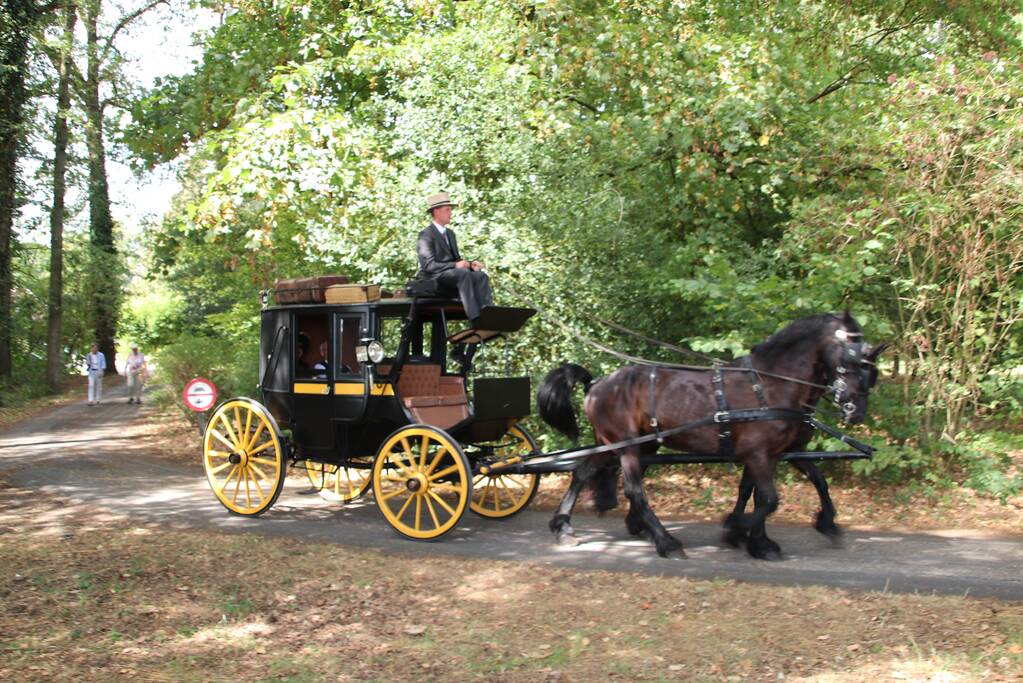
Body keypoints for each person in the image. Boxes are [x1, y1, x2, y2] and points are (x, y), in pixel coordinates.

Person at [415, 191, 492, 371]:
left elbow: (457, 260)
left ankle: (486, 314)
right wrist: (456, 266)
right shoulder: (425, 235)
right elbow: (428, 265)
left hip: (454, 275)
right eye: (448, 210)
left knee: (480, 276)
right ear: (436, 212)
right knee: (462, 275)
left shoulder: (450, 234)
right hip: (436, 278)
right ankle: (475, 320)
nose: (451, 213)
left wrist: (470, 264)